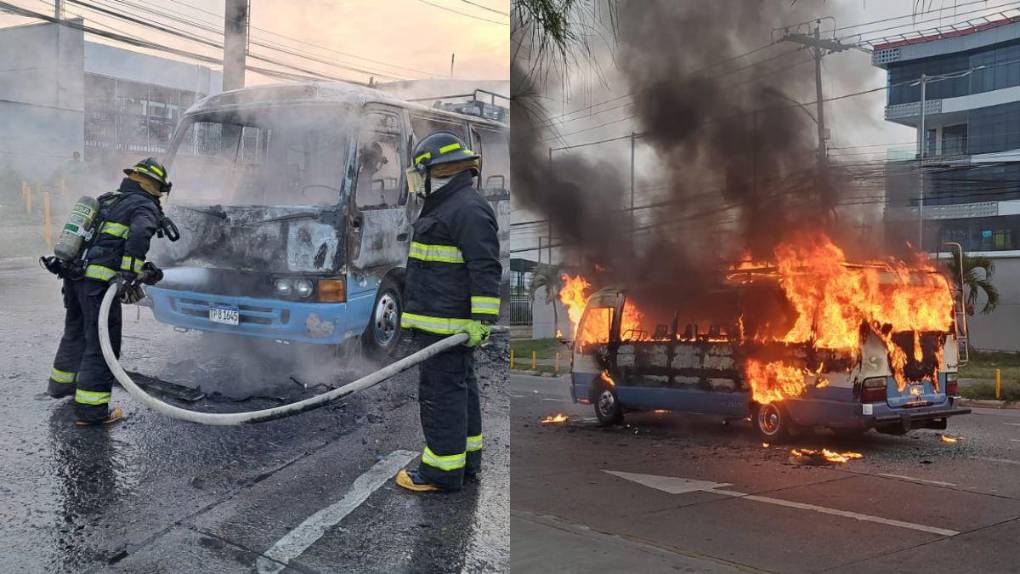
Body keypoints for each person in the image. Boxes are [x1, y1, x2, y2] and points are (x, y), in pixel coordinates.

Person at [395, 132, 502, 493]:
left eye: (418, 173)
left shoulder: (465, 208)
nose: (416, 183)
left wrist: (481, 322)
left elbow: (485, 267)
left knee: (442, 394)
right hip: (443, 325)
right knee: (460, 388)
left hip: (448, 328)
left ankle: (441, 472)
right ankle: (465, 461)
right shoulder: (449, 204)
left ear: (434, 171)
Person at [43, 158, 171, 426]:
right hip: (99, 285)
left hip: (74, 277)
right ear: (153, 184)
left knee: (75, 333)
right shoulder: (143, 204)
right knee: (102, 346)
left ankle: (61, 386)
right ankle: (92, 412)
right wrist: (130, 273)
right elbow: (139, 234)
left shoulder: (107, 199)